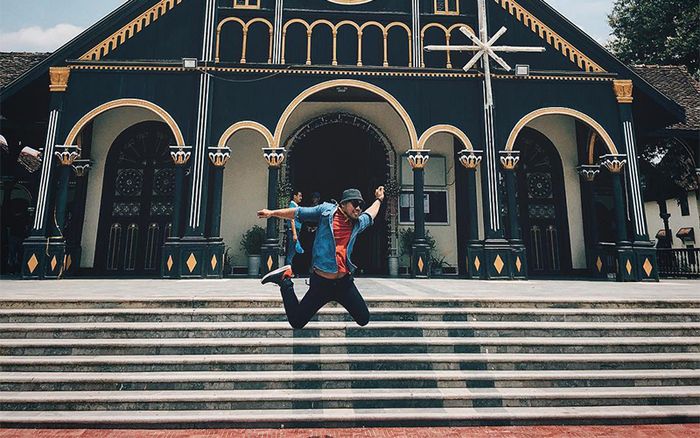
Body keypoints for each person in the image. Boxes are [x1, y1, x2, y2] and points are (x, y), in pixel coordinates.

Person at [258, 186, 385, 329]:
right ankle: (284, 280)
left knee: (363, 318)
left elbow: (370, 214)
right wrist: (272, 213)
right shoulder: (326, 212)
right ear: (343, 204)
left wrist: (379, 199)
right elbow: (298, 212)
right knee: (297, 321)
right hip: (321, 284)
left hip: (344, 284)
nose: (358, 208)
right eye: (355, 204)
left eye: (361, 205)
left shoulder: (357, 223)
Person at [284, 191, 303, 267]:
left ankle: (290, 268)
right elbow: (292, 220)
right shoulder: (292, 206)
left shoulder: (295, 206)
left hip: (295, 231)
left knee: (293, 251)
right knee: (291, 251)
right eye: (299, 196)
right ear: (295, 196)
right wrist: (294, 234)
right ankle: (288, 269)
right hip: (293, 231)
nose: (301, 198)